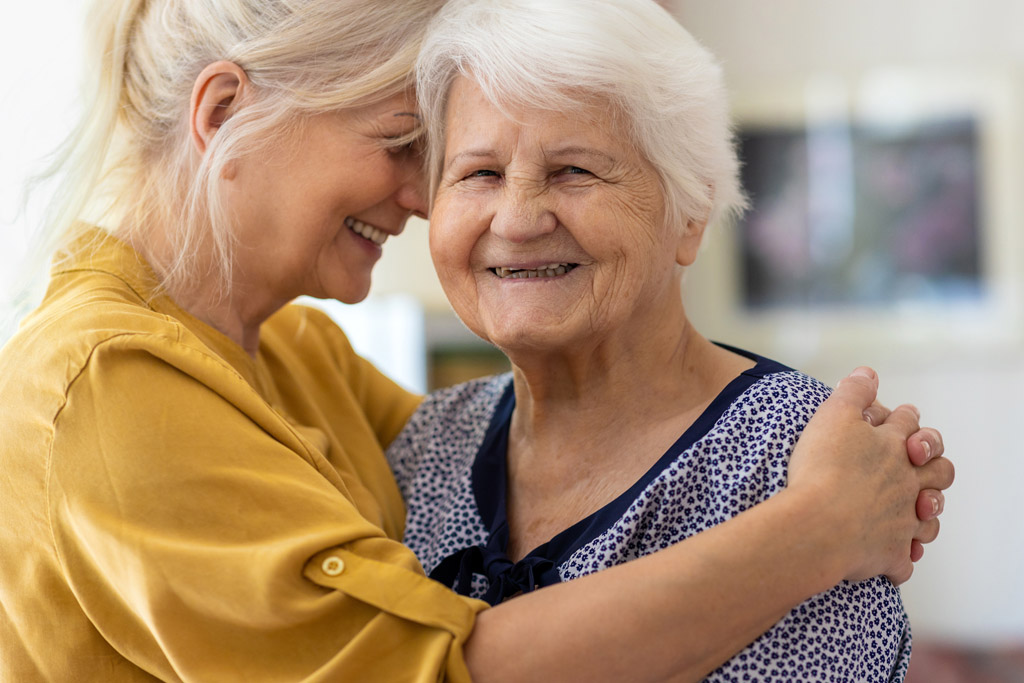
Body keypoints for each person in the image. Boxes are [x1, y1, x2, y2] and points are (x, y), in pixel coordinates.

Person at [0, 0, 952, 681]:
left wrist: (860, 489)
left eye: (577, 167)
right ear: (222, 115)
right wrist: (815, 529)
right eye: (429, 156)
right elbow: (438, 667)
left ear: (690, 212)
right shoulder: (108, 383)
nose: (422, 199)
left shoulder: (294, 354)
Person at [388, 0, 954, 681]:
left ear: (690, 213)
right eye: (479, 173)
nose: (517, 217)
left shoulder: (810, 459)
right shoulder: (425, 445)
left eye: (575, 170)